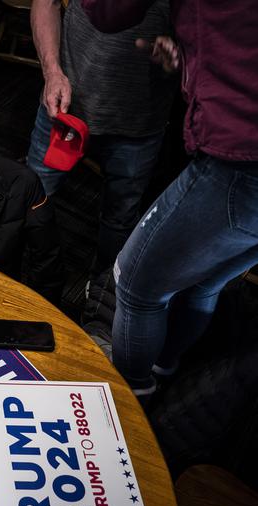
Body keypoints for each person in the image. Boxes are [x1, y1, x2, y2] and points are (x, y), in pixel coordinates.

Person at [81, 0, 258, 398]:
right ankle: (164, 367)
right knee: (206, 281)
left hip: (242, 162)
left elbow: (108, 12)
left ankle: (131, 394)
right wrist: (199, 55)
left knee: (134, 283)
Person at [27, 0, 175, 282]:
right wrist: (52, 72)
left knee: (120, 217)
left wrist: (182, 62)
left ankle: (101, 293)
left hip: (139, 123)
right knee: (31, 195)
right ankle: (13, 280)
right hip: (65, 109)